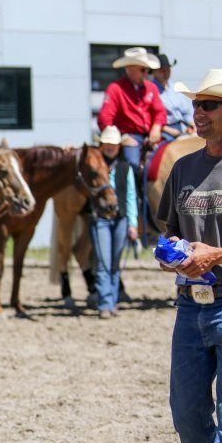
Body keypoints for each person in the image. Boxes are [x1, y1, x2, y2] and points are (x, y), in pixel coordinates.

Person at [155, 68, 222, 443]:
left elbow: (210, 250)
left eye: (209, 105)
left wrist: (216, 256)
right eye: (197, 105)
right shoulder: (182, 168)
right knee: (187, 419)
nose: (197, 114)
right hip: (189, 307)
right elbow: (168, 237)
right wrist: (171, 255)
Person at [90, 126, 138, 319]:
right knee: (103, 262)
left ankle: (112, 300)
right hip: (100, 218)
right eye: (107, 144)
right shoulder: (93, 166)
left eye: (114, 144)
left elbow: (130, 196)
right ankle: (105, 302)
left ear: (119, 146)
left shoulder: (125, 168)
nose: (110, 147)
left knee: (115, 262)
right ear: (101, 145)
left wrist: (132, 223)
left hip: (120, 218)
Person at [97, 47, 166, 175]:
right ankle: (136, 194)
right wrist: (121, 138)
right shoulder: (115, 89)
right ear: (130, 69)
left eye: (147, 70)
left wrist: (156, 127)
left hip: (151, 135)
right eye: (143, 70)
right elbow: (104, 119)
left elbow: (160, 112)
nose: (146, 74)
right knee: (132, 164)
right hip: (129, 136)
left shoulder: (151, 88)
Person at [153, 53, 196, 142]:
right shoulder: (151, 89)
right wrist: (167, 130)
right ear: (154, 72)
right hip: (164, 130)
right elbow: (151, 116)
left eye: (168, 69)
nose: (166, 72)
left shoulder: (174, 88)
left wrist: (192, 125)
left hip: (182, 126)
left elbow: (185, 111)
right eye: (162, 70)